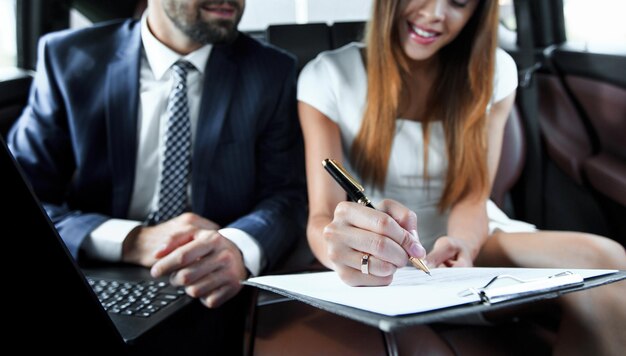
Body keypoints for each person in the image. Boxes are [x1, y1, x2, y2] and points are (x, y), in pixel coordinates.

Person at [297, 0, 625, 354]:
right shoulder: (327, 76)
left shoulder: (494, 71)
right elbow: (323, 215)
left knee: (609, 262)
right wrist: (341, 254)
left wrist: (464, 246)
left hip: (471, 236)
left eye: (458, 2)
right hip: (383, 243)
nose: (436, 13)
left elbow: (473, 194)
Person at [8, 0, 306, 352]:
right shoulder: (69, 58)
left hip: (212, 283)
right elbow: (31, 193)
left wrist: (239, 248)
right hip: (97, 267)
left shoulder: (272, 71)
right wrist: (133, 240)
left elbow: (287, 196)